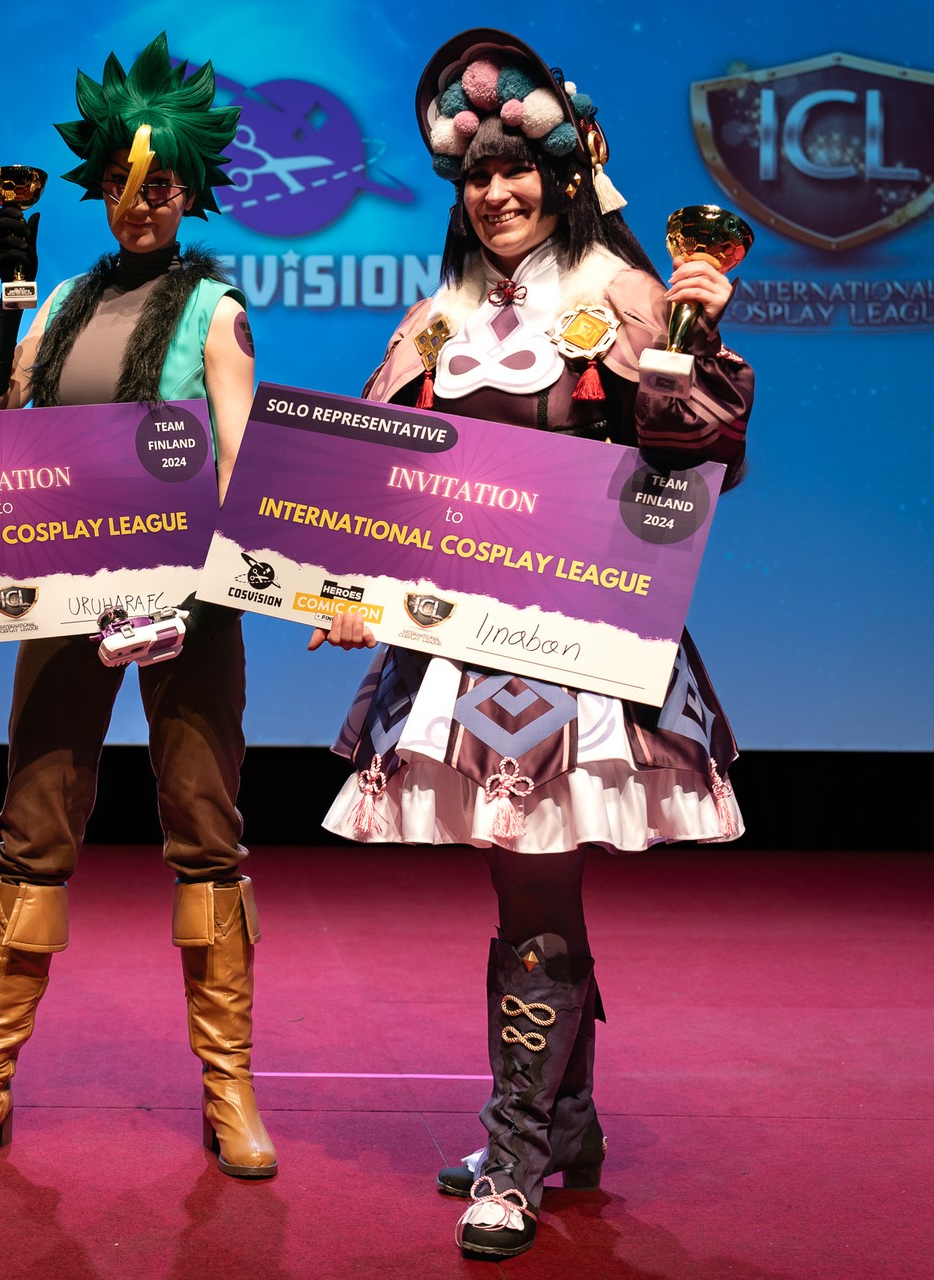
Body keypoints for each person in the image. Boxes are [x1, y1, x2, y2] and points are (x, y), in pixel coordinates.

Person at [309, 27, 753, 1260]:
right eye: (476, 174)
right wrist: (345, 590)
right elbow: (377, 484)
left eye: (516, 170)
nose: (496, 192)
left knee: (536, 885)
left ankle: (513, 1153)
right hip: (462, 647)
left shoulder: (623, 294)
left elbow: (701, 459)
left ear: (561, 175)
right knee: (526, 884)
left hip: (578, 644)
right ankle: (567, 1127)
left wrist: (697, 335)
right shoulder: (436, 318)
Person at [0, 33, 274, 1181]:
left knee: (205, 828)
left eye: (162, 181)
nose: (142, 200)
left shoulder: (215, 309)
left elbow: (242, 463)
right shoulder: (57, 306)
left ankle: (229, 1087)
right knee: (32, 825)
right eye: (125, 183)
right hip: (66, 597)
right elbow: (7, 445)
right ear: (99, 187)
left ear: (190, 189)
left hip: (188, 605)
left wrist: (254, 576)